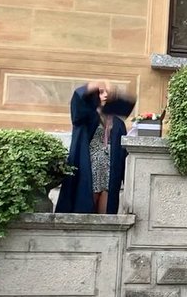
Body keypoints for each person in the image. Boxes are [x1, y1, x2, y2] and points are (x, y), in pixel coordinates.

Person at [56, 81, 133, 214]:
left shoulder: (118, 123)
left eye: (108, 93)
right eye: (101, 92)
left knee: (106, 214)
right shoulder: (85, 116)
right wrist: (94, 85)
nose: (105, 95)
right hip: (90, 170)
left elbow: (123, 151)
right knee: (86, 210)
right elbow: (77, 99)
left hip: (109, 172)